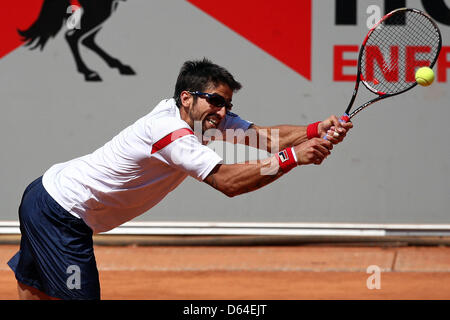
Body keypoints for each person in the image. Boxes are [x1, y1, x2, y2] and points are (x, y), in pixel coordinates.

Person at [8, 58, 352, 300]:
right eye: (215, 101)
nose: (222, 111)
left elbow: (261, 138)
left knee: (36, 291)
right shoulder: (170, 132)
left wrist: (312, 130)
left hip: (46, 194)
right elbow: (229, 182)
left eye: (227, 104)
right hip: (61, 213)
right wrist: (293, 157)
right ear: (187, 97)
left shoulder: (203, 118)